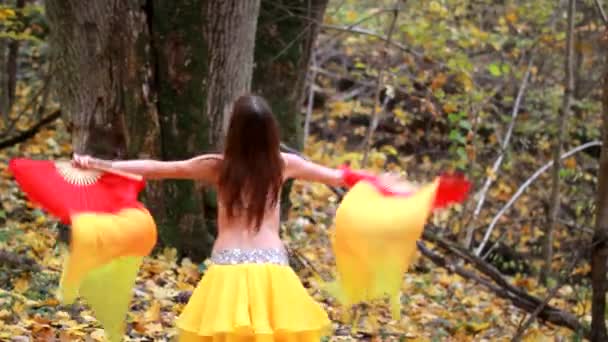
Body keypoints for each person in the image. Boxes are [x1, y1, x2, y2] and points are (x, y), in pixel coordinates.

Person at [72, 94, 397, 341]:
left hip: (227, 267)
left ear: (234, 132)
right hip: (272, 268)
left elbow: (158, 169)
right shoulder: (283, 164)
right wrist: (379, 181)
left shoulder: (217, 165)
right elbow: (338, 176)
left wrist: (99, 164)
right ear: (272, 132)